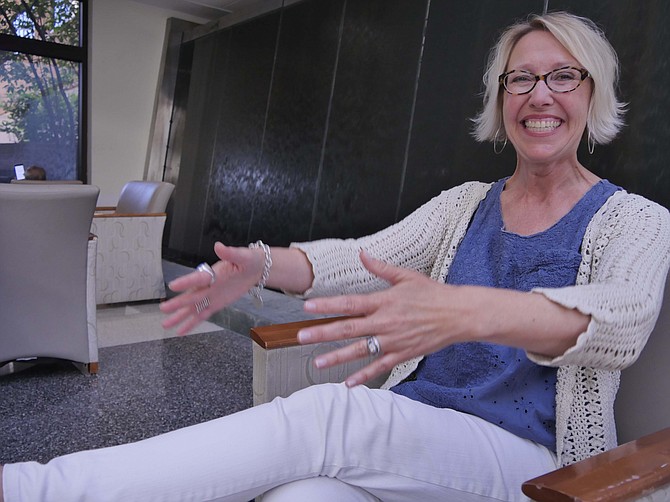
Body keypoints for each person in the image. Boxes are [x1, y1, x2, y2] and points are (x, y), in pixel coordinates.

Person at [2, 10, 670, 502]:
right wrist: (262, 264)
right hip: (418, 438)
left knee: (331, 415)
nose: (539, 95)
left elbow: (617, 325)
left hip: (533, 462)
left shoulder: (635, 220)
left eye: (562, 76)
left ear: (592, 93)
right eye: (519, 79)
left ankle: (38, 491)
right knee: (300, 496)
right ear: (502, 102)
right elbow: (361, 257)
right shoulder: (466, 203)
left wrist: (470, 312)